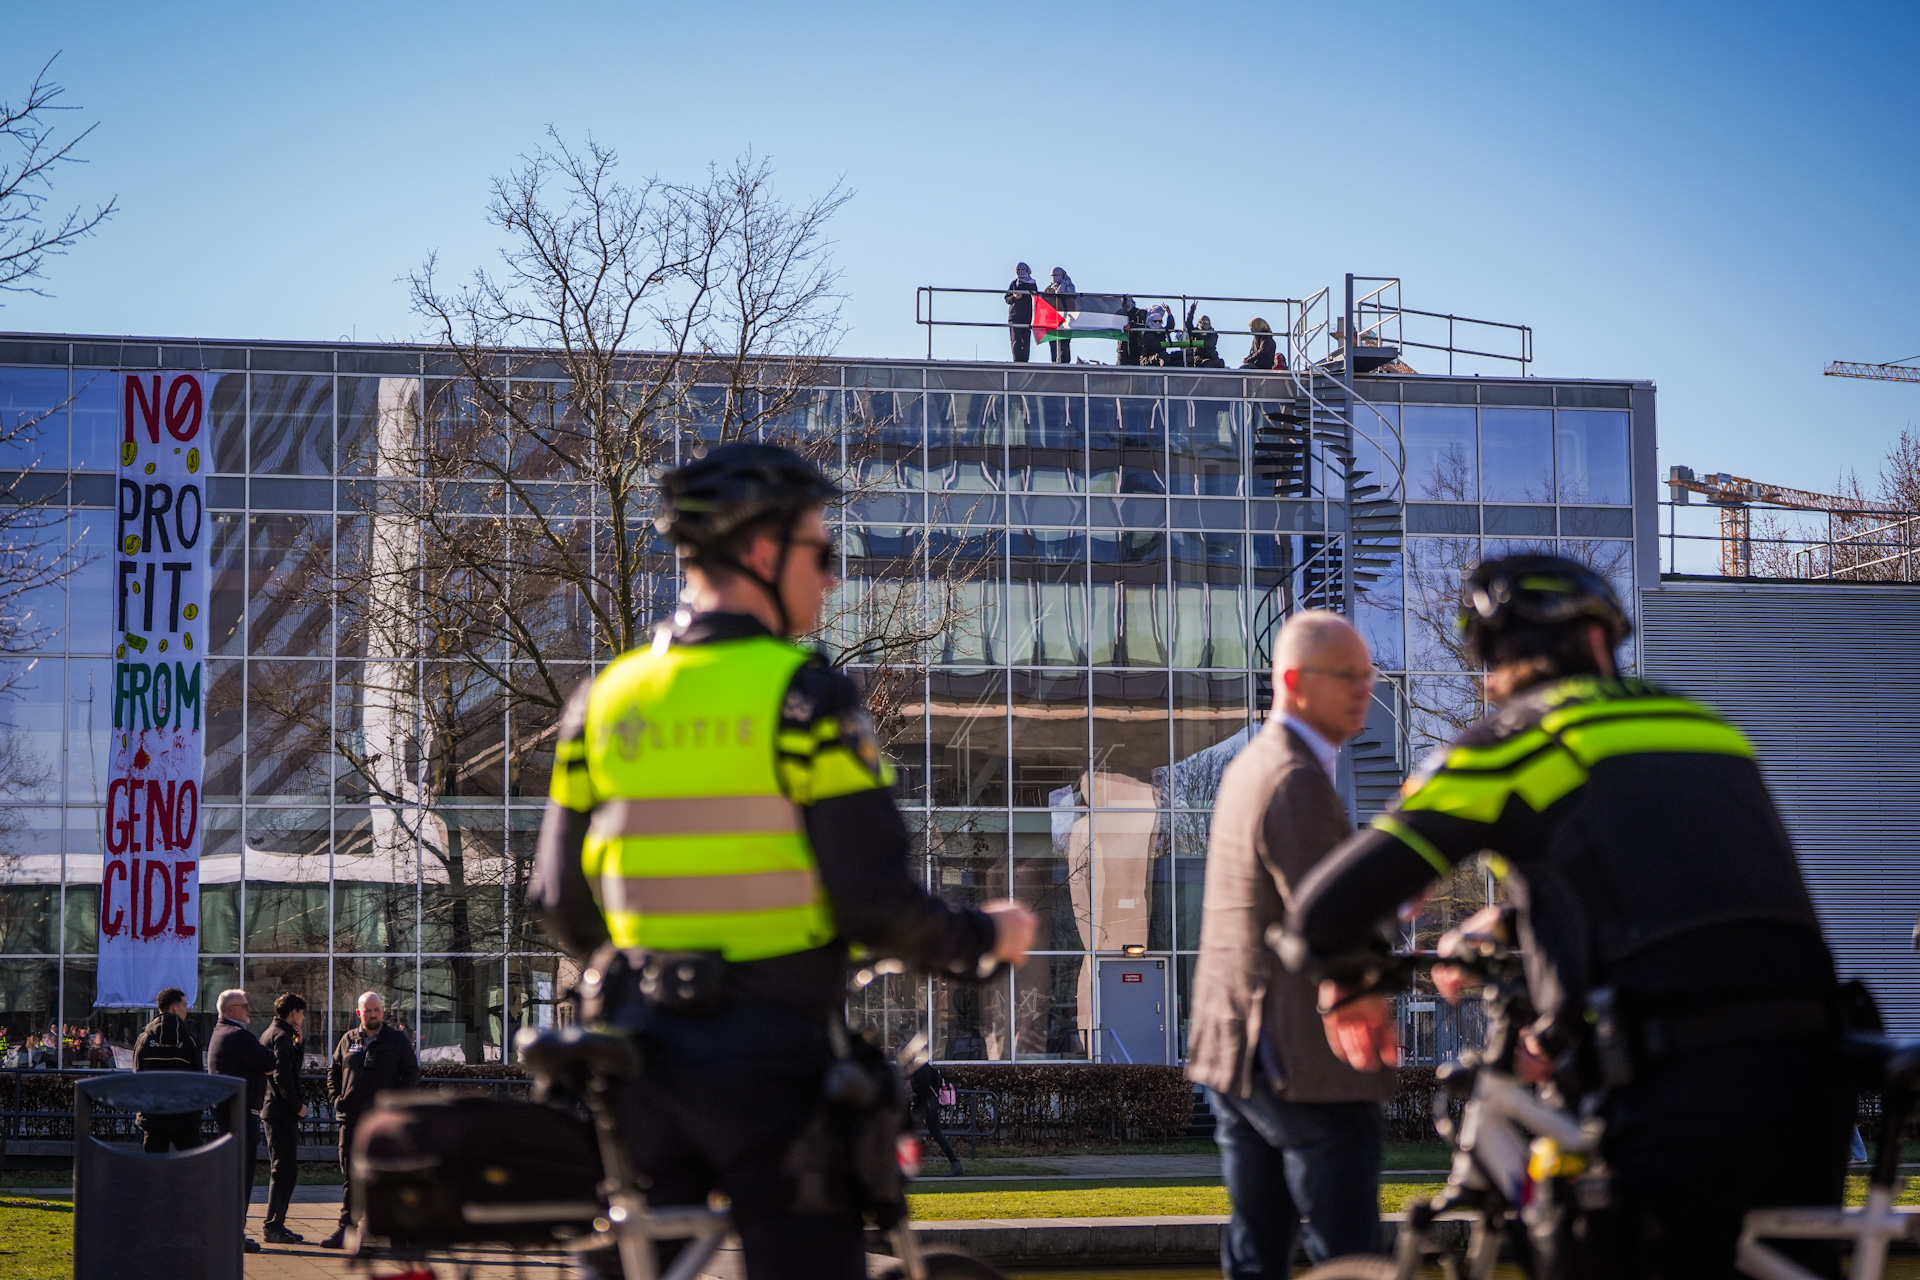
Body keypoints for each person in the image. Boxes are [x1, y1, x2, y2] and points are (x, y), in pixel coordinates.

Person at [530, 442, 1037, 1280]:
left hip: (639, 1057)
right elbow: (871, 900)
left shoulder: (604, 700)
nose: (831, 579)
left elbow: (557, 898)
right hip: (773, 1065)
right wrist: (985, 935)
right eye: (822, 552)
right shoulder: (805, 700)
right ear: (763, 553)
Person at [1284, 554, 1853, 1280]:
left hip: (1671, 1102)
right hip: (1817, 1079)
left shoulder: (1514, 741)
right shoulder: (1705, 728)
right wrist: (1511, 923)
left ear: (1492, 663)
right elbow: (1662, 885)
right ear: (1599, 641)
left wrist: (1352, 980)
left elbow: (1322, 912)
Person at [1186, 611, 1394, 1278]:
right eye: (1348, 676)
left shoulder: (1252, 765)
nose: (1365, 689)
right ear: (1296, 682)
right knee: (1352, 1260)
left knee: (1257, 1253)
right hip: (1301, 1060)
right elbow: (1329, 916)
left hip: (1238, 1053)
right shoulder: (1296, 779)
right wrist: (1370, 985)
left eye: (1368, 675)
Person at [322, 992, 420, 1249]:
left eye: (376, 1010)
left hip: (384, 1124)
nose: (373, 1015)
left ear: (383, 1011)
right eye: (368, 1011)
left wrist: (395, 1103)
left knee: (388, 1176)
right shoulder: (348, 1040)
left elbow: (412, 1073)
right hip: (352, 1120)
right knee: (351, 1177)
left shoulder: (397, 1040)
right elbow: (333, 1071)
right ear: (359, 1013)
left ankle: (394, 1233)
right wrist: (337, 1098)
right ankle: (346, 1230)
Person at [208, 989, 277, 1254]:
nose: (249, 1010)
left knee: (234, 1174)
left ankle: (229, 1231)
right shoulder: (237, 1035)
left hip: (229, 1110)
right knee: (241, 1175)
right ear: (230, 1009)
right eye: (244, 1005)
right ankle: (233, 1233)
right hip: (239, 1112)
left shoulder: (220, 1033)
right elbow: (270, 1062)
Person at [259, 993, 310, 1244]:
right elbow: (282, 1076)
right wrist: (297, 1106)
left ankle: (277, 1223)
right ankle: (273, 1225)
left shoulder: (272, 1033)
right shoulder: (280, 1036)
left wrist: (298, 1045)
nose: (303, 1018)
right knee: (284, 1170)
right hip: (280, 1112)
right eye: (302, 1014)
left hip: (274, 1110)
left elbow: (290, 1068)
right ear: (293, 1013)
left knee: (283, 1169)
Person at [132, 986, 205, 1153]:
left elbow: (137, 1074)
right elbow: (198, 1077)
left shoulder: (144, 1038)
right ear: (175, 1009)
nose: (187, 1010)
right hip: (184, 1114)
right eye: (185, 1005)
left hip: (152, 1113)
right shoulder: (189, 1039)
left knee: (154, 1163)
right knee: (193, 1162)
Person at [908, 1062, 963, 1177]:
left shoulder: (920, 1066)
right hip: (926, 1103)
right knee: (916, 1132)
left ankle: (955, 1163)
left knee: (934, 1133)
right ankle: (955, 1163)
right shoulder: (923, 1066)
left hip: (926, 1104)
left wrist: (914, 1089)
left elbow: (924, 1086)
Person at [1004, 263, 1038, 363]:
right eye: (1017, 271)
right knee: (1016, 339)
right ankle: (1017, 360)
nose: (1019, 273)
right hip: (1014, 316)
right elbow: (1007, 299)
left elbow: (1035, 299)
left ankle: (1025, 361)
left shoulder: (1032, 284)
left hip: (1027, 316)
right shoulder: (1014, 283)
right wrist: (1014, 297)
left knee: (1026, 339)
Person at [1044, 267, 1076, 363]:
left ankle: (1065, 362)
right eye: (1053, 276)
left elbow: (1072, 302)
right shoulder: (1048, 289)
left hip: (1066, 319)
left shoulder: (1069, 289)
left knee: (1064, 343)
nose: (1055, 278)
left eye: (1057, 275)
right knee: (1053, 342)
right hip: (1052, 320)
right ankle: (1054, 361)